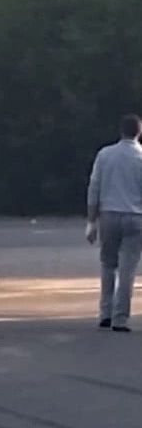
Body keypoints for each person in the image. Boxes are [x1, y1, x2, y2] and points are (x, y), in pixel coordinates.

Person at [87, 114, 142, 331]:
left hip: (109, 214)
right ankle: (120, 318)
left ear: (120, 131)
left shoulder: (105, 154)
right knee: (127, 269)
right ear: (139, 132)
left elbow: (94, 188)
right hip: (136, 217)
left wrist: (91, 221)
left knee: (108, 264)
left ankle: (105, 312)